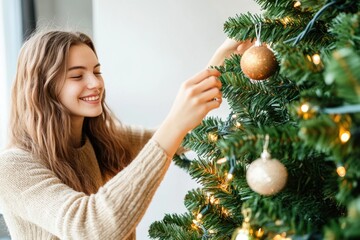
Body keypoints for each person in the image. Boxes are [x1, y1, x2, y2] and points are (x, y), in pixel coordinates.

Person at [0, 30, 250, 240]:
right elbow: (89, 227)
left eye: (96, 72)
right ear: (41, 88)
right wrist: (175, 120)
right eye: (77, 75)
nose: (95, 83)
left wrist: (218, 65)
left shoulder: (101, 140)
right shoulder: (12, 167)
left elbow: (184, 136)